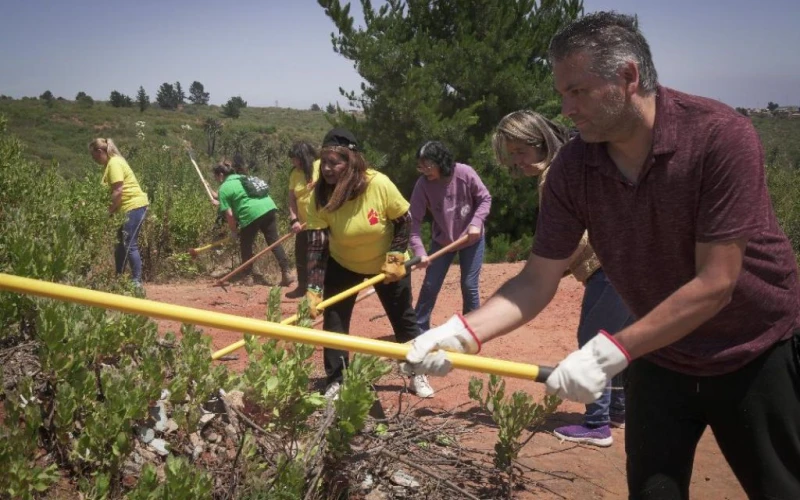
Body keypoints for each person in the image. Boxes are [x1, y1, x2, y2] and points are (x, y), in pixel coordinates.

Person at [404, 11, 800, 499]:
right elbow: (536, 280)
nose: (565, 109)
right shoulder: (575, 166)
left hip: (754, 351)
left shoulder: (719, 136)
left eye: (578, 91)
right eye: (562, 93)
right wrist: (462, 334)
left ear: (628, 77)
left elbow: (717, 282)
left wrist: (610, 350)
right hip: (662, 355)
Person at [492, 111, 633, 446]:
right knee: (613, 341)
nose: (517, 162)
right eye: (511, 155)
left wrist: (549, 267)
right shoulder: (572, 166)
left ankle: (596, 423)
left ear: (539, 143)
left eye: (520, 152)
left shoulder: (555, 175)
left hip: (607, 270)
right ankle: (617, 409)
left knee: (592, 342)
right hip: (624, 266)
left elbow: (573, 238)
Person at [305, 128, 433, 399]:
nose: (326, 169)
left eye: (334, 162)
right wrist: (314, 288)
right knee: (335, 320)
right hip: (343, 263)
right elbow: (317, 244)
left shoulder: (378, 184)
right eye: (323, 162)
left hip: (386, 264)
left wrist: (396, 257)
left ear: (351, 161)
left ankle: (415, 370)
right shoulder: (320, 195)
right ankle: (337, 379)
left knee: (403, 318)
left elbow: (404, 220)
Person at [410, 141, 491, 332]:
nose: (424, 171)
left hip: (471, 239)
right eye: (420, 166)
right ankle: (418, 330)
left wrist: (476, 223)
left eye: (428, 165)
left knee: (469, 285)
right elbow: (413, 223)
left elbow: (485, 198)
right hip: (442, 241)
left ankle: (471, 330)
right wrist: (420, 252)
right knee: (430, 285)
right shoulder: (423, 185)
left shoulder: (464, 173)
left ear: (441, 162)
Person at [213, 161, 295, 287]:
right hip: (269, 207)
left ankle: (248, 277)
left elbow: (229, 214)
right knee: (274, 242)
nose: (217, 180)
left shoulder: (223, 188)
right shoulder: (245, 178)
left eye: (216, 177)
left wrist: (234, 231)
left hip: (250, 213)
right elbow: (242, 195)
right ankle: (286, 272)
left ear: (221, 175)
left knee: (246, 245)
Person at [90, 138, 149, 287]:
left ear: (100, 151)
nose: (94, 159)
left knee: (130, 244)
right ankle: (119, 277)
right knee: (120, 245)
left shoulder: (114, 163)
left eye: (94, 155)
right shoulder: (109, 165)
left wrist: (108, 211)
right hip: (124, 209)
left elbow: (118, 191)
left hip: (133, 206)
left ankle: (136, 282)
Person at [285, 141, 320, 298]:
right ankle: (302, 287)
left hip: (320, 223)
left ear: (303, 157)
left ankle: (317, 290)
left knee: (318, 258)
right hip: (303, 225)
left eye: (295, 159)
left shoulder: (320, 166)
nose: (293, 162)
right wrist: (294, 220)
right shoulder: (294, 174)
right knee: (301, 256)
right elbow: (292, 200)